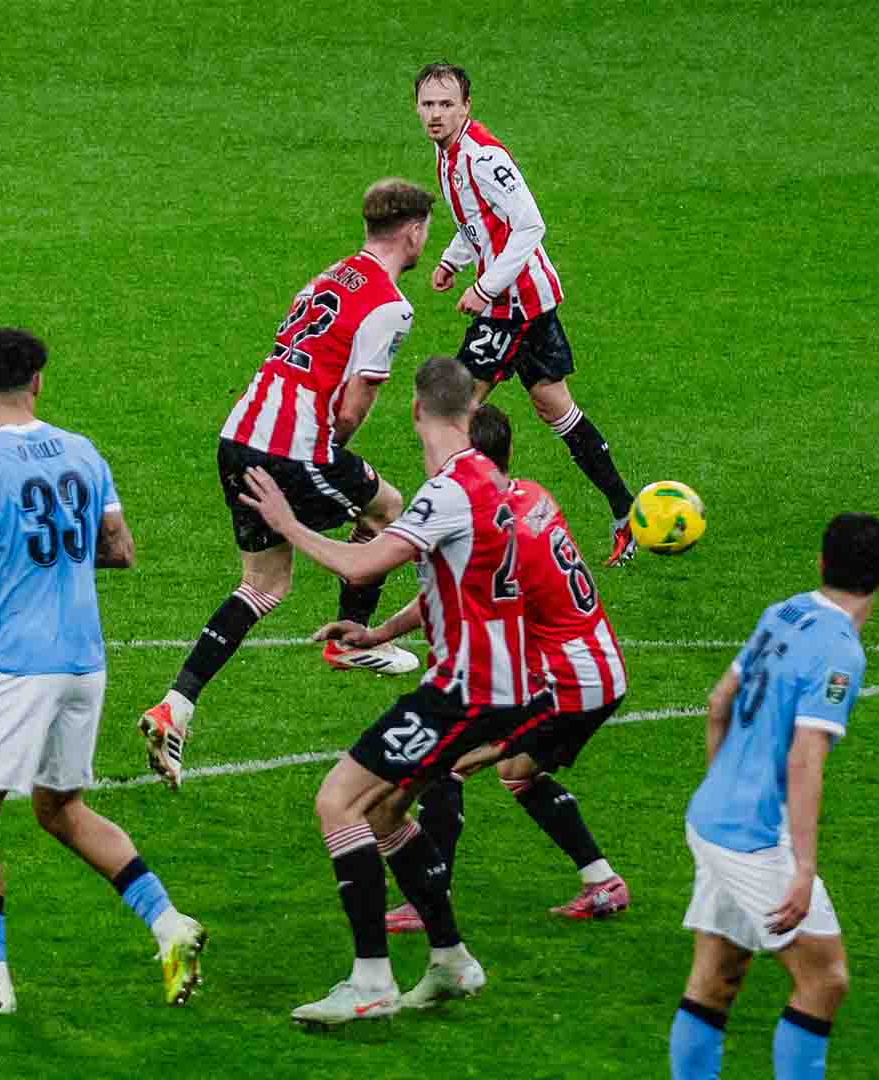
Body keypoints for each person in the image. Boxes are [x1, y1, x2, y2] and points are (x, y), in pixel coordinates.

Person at [0, 328, 207, 1015]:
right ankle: (171, 925)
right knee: (60, 808)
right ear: (39, 382)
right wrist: (54, 556)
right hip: (85, 661)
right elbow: (120, 550)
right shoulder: (84, 453)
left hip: (18, 667)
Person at [239, 355, 540, 1027]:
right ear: (469, 411)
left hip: (463, 692)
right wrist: (379, 635)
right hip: (497, 685)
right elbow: (457, 582)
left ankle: (369, 980)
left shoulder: (448, 491)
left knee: (338, 800)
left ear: (414, 409)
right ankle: (451, 962)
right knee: (384, 815)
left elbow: (363, 559)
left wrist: (287, 524)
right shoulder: (489, 480)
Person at [140, 179, 437, 792]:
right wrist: (329, 458)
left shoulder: (334, 273)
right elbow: (353, 407)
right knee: (387, 510)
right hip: (290, 449)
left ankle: (176, 707)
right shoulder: (391, 306)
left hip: (238, 433)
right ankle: (351, 639)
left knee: (264, 584)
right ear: (413, 229)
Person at [317, 404, 630, 933]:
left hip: (567, 682)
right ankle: (602, 881)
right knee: (517, 771)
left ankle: (427, 899)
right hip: (599, 664)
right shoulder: (533, 497)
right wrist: (379, 636)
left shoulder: (491, 525)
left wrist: (379, 632)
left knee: (448, 761)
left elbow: (451, 598)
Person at [670, 513, 879, 1080]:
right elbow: (804, 755)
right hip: (753, 839)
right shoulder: (841, 652)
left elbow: (719, 702)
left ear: (822, 563)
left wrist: (724, 786)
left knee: (717, 978)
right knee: (824, 981)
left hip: (710, 816)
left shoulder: (785, 611)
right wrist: (802, 867)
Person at [412, 62, 638, 566]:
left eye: (447, 104)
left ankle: (454, 534)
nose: (436, 113)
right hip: (524, 302)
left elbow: (530, 224)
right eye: (428, 104)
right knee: (554, 406)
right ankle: (626, 514)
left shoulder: (483, 156)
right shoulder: (447, 151)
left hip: (512, 307)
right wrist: (454, 257)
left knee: (447, 414)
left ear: (467, 107)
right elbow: (480, 219)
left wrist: (485, 286)